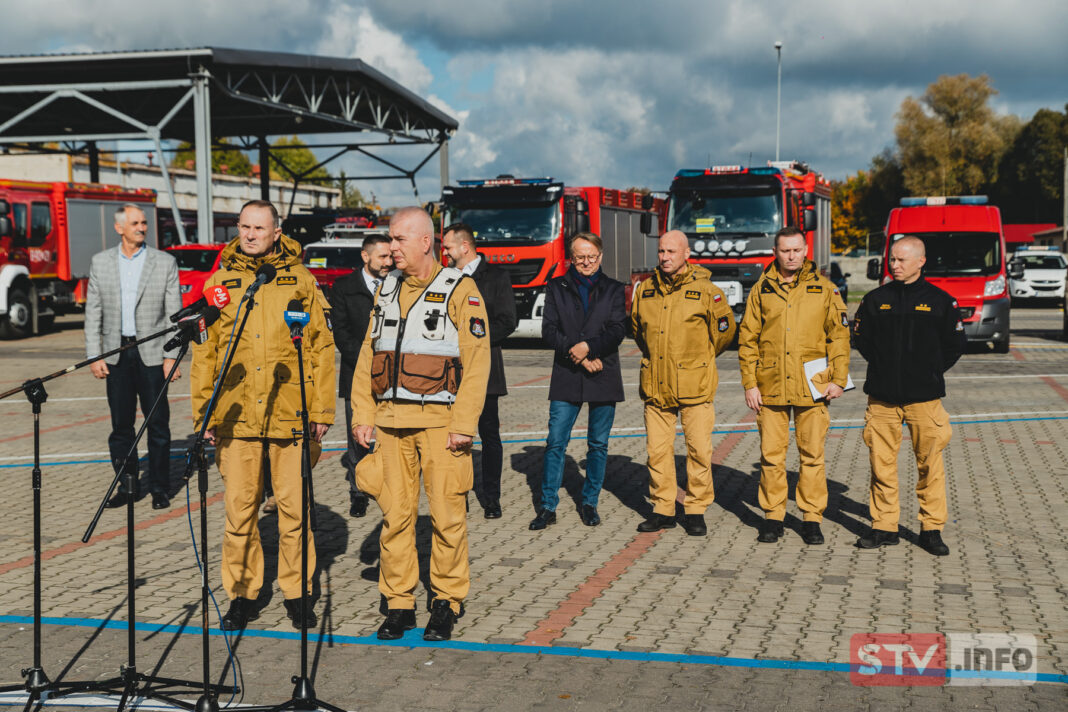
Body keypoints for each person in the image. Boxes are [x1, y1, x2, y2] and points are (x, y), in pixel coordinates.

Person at [190, 200, 335, 630]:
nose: (250, 234)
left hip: (290, 412)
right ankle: (242, 592)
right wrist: (205, 416)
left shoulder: (301, 280)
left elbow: (321, 348)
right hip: (236, 415)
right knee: (239, 513)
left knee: (294, 512)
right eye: (244, 226)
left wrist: (323, 408)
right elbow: (205, 354)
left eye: (259, 227)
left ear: (277, 231)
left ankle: (298, 593)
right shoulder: (220, 283)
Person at [351, 207, 490, 642]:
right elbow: (365, 355)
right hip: (391, 424)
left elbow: (478, 361)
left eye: (399, 240)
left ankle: (446, 600)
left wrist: (464, 424)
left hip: (441, 424)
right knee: (395, 516)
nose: (391, 248)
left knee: (448, 516)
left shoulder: (460, 289)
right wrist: (362, 413)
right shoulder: (386, 289)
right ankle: (399, 603)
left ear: (426, 243)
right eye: (390, 240)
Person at [852, 235, 966, 556]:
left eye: (902, 260)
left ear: (921, 261)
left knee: (930, 465)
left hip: (924, 398)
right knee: (881, 463)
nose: (895, 265)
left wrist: (929, 371)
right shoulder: (875, 300)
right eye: (892, 260)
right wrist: (885, 366)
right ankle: (884, 526)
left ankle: (931, 529)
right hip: (882, 397)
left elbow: (954, 345)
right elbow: (861, 339)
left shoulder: (941, 301)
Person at [737, 227, 850, 545]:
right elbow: (747, 339)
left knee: (812, 455)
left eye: (797, 250)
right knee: (771, 457)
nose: (791, 256)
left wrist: (838, 379)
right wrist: (749, 383)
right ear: (775, 251)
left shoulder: (825, 289)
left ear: (806, 250)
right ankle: (773, 517)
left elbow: (838, 337)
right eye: (785, 250)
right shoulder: (761, 290)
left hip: (813, 384)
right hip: (769, 384)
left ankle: (812, 518)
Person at [630, 231, 736, 536]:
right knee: (657, 451)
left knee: (699, 451)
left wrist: (697, 359)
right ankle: (663, 508)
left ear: (687, 254)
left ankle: (695, 509)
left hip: (695, 385)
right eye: (661, 250)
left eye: (672, 251)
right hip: (656, 385)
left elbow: (724, 333)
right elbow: (638, 331)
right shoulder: (646, 290)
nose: (664, 257)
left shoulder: (707, 291)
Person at [85, 203, 182, 511]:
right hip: (117, 354)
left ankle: (159, 488)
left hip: (154, 355)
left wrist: (172, 356)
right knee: (121, 427)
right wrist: (94, 355)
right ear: (119, 228)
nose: (142, 227)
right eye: (136, 223)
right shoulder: (100, 263)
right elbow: (93, 312)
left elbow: (174, 316)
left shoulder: (164, 262)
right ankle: (128, 486)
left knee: (158, 426)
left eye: (144, 222)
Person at [530, 232, 626, 530]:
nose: (586, 262)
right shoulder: (557, 286)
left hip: (603, 374)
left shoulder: (613, 289)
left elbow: (617, 330)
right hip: (568, 373)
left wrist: (591, 347)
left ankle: (589, 502)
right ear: (571, 258)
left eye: (592, 257)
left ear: (601, 256)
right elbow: (550, 330)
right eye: (580, 257)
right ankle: (547, 506)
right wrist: (582, 355)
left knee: (598, 444)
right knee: (555, 442)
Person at [441, 222, 517, 519]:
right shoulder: (444, 277)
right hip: (447, 372)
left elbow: (506, 320)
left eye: (447, 248)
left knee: (489, 435)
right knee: (450, 435)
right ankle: (458, 495)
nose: (444, 254)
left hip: (484, 370)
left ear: (464, 247)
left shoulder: (496, 277)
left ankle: (491, 497)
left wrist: (472, 343)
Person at [331, 234, 393, 518]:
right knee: (359, 437)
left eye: (390, 256)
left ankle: (389, 488)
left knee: (391, 434)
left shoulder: (397, 284)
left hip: (392, 374)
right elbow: (341, 334)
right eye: (382, 257)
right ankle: (359, 493)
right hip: (356, 372)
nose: (388, 262)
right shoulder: (344, 287)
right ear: (365, 257)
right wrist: (369, 362)